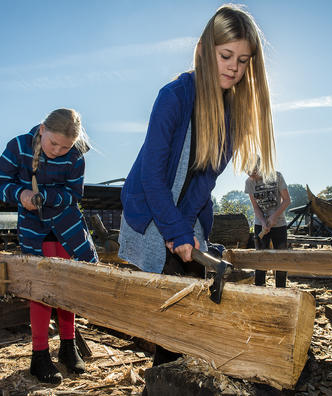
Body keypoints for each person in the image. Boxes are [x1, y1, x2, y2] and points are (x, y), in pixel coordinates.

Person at [119, 4, 275, 367]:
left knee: (192, 290)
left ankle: (179, 368)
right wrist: (171, 230)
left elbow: (205, 180)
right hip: (151, 207)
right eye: (226, 55)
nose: (234, 67)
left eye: (243, 60)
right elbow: (152, 177)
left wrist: (183, 231)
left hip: (188, 212)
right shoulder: (173, 96)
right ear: (205, 50)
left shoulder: (233, 114)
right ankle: (165, 376)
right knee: (172, 302)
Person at [0, 108, 98, 384]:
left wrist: (44, 196)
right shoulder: (18, 147)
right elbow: (1, 182)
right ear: (42, 129)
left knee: (66, 286)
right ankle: (39, 354)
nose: (58, 150)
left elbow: (74, 194)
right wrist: (21, 193)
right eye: (53, 143)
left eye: (65, 147)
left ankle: (68, 347)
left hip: (66, 228)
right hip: (35, 230)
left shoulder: (75, 155)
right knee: (40, 290)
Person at [245, 165, 290, 287]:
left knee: (281, 259)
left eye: (253, 173)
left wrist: (274, 216)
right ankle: (260, 289)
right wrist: (263, 221)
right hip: (261, 225)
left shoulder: (277, 176)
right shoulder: (249, 182)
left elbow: (286, 200)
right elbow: (255, 207)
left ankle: (281, 290)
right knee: (260, 259)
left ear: (260, 167)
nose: (251, 177)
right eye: (248, 173)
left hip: (279, 224)